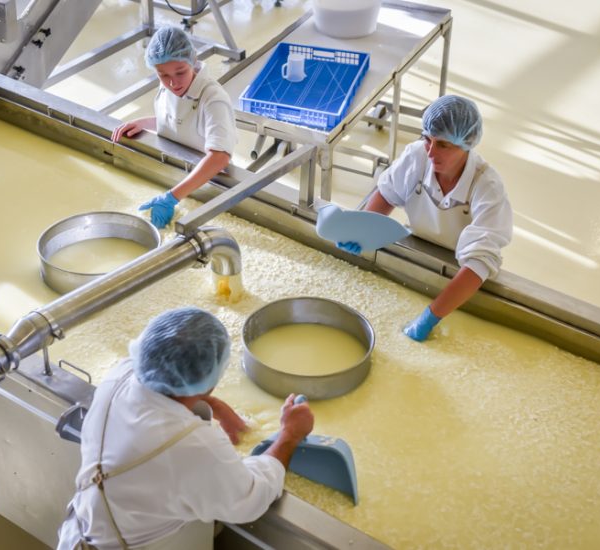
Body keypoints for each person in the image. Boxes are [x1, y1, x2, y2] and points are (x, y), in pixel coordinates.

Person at [57, 307, 314, 550]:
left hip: (77, 535)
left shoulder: (120, 376)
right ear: (211, 381)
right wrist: (289, 434)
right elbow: (250, 498)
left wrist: (212, 405)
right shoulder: (197, 447)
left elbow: (159, 401)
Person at [339, 95, 513, 342]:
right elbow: (388, 194)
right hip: (420, 245)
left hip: (460, 271)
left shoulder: (487, 187)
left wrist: (429, 318)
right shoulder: (417, 156)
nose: (431, 152)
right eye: (427, 139)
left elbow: (479, 263)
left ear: (465, 145)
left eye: (443, 145)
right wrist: (362, 232)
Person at [111, 25, 237, 228]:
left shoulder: (214, 100)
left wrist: (172, 197)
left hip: (204, 180)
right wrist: (145, 122)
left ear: (193, 60)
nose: (173, 83)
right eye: (163, 75)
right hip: (178, 167)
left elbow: (220, 157)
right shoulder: (169, 84)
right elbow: (178, 120)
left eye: (180, 72)